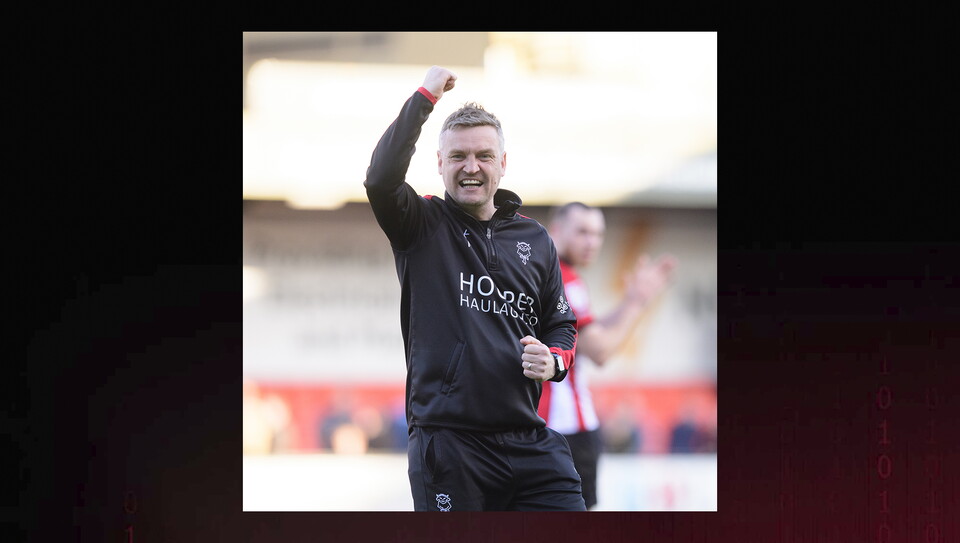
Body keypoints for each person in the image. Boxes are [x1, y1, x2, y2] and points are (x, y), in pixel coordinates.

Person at [363, 65, 585, 511]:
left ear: (503, 164)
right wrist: (425, 97)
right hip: (450, 445)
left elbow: (561, 323)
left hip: (530, 442)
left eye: (484, 155)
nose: (471, 167)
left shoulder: (535, 239)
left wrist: (555, 361)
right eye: (458, 156)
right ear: (440, 164)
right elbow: (380, 179)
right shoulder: (421, 224)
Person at [539, 201, 677, 509]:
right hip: (568, 431)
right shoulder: (565, 279)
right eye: (583, 232)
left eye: (599, 235)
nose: (593, 243)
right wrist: (638, 304)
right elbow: (598, 350)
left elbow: (586, 333)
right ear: (556, 230)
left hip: (549, 428)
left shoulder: (552, 274)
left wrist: (630, 300)